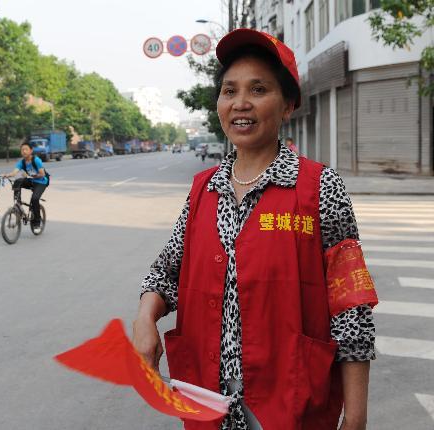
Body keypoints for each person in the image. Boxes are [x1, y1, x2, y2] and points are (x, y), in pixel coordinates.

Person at [133, 29, 378, 430]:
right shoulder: (203, 190)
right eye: (229, 91)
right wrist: (145, 317)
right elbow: (166, 272)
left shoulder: (320, 188)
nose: (240, 103)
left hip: (290, 401)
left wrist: (356, 417)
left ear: (288, 106)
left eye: (259, 89)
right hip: (207, 399)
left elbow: (351, 308)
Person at [5, 142, 48, 234]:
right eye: (22, 150)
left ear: (31, 151)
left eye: (26, 149)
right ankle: (18, 204)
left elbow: (42, 174)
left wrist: (32, 175)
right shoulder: (21, 162)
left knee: (35, 199)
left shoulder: (36, 160)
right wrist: (7, 175)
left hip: (41, 182)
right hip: (32, 181)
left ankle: (37, 223)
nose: (24, 151)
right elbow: (15, 172)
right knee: (17, 181)